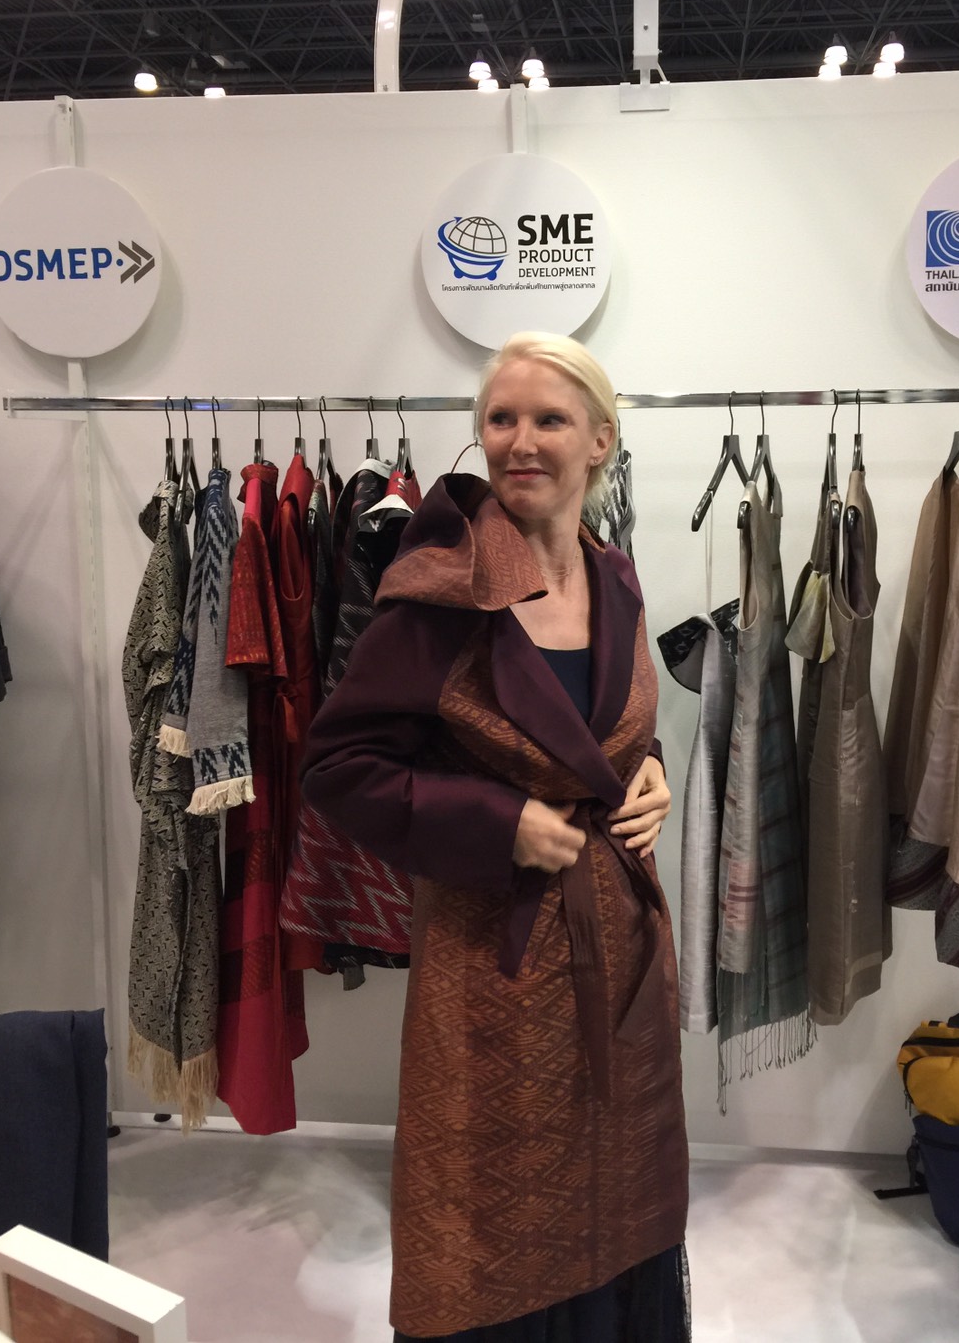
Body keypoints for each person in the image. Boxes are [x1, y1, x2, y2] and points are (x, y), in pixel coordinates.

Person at [297, 331, 690, 1341]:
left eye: (549, 419)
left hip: (622, 957)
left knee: (623, 1192)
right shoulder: (443, 593)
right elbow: (338, 766)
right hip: (493, 970)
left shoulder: (613, 575)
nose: (520, 440)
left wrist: (649, 770)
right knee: (493, 1224)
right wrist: (497, 821)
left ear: (599, 440)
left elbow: (607, 728)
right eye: (501, 418)